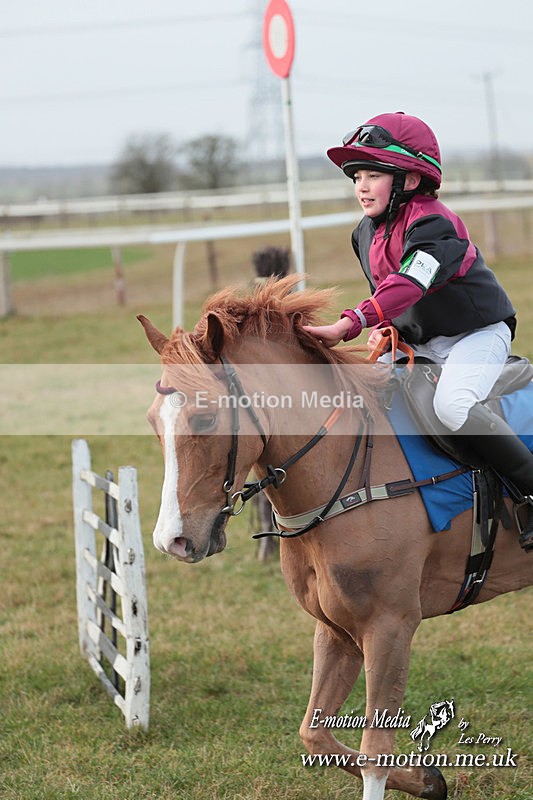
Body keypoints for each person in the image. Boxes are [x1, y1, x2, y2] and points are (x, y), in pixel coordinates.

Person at [303, 111, 533, 551]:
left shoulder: (435, 224)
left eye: (373, 175)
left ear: (409, 180)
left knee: (452, 407)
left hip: (476, 335)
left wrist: (350, 323)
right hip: (421, 343)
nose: (361, 187)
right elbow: (386, 292)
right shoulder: (364, 233)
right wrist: (384, 328)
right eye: (357, 177)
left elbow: (410, 281)